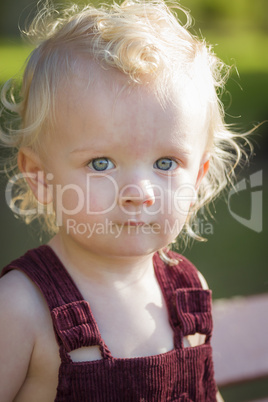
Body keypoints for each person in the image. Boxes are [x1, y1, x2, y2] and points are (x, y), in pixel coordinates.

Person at [0, 0, 249, 400]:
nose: (138, 192)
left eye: (165, 162)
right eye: (101, 163)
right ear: (41, 177)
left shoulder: (187, 290)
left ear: (198, 177)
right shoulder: (21, 309)